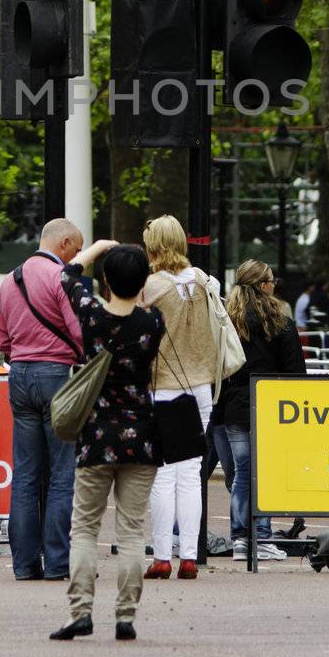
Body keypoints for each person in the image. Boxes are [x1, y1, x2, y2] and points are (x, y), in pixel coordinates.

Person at [50, 241, 160, 642]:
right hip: (143, 437)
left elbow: (68, 276)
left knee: (84, 529)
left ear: (107, 281)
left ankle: (80, 612)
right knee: (131, 530)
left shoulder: (92, 316)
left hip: (96, 435)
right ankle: (126, 616)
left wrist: (96, 248)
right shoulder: (154, 323)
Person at [0, 217, 87, 581]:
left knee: (26, 475)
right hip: (56, 375)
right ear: (64, 243)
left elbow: (2, 339)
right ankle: (57, 563)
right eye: (76, 250)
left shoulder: (9, 280)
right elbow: (79, 330)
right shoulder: (60, 278)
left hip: (18, 375)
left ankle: (24, 565)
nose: (75, 257)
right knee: (63, 475)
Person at [137, 215, 218, 580]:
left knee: (163, 475)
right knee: (192, 474)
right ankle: (189, 554)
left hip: (164, 385)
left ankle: (162, 555)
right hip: (201, 385)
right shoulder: (203, 280)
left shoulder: (151, 286)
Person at [210, 258, 305, 564]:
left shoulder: (226, 321)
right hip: (269, 406)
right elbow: (295, 371)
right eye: (272, 281)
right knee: (259, 475)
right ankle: (260, 535)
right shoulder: (280, 322)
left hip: (230, 407)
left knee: (240, 475)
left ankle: (241, 537)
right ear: (264, 286)